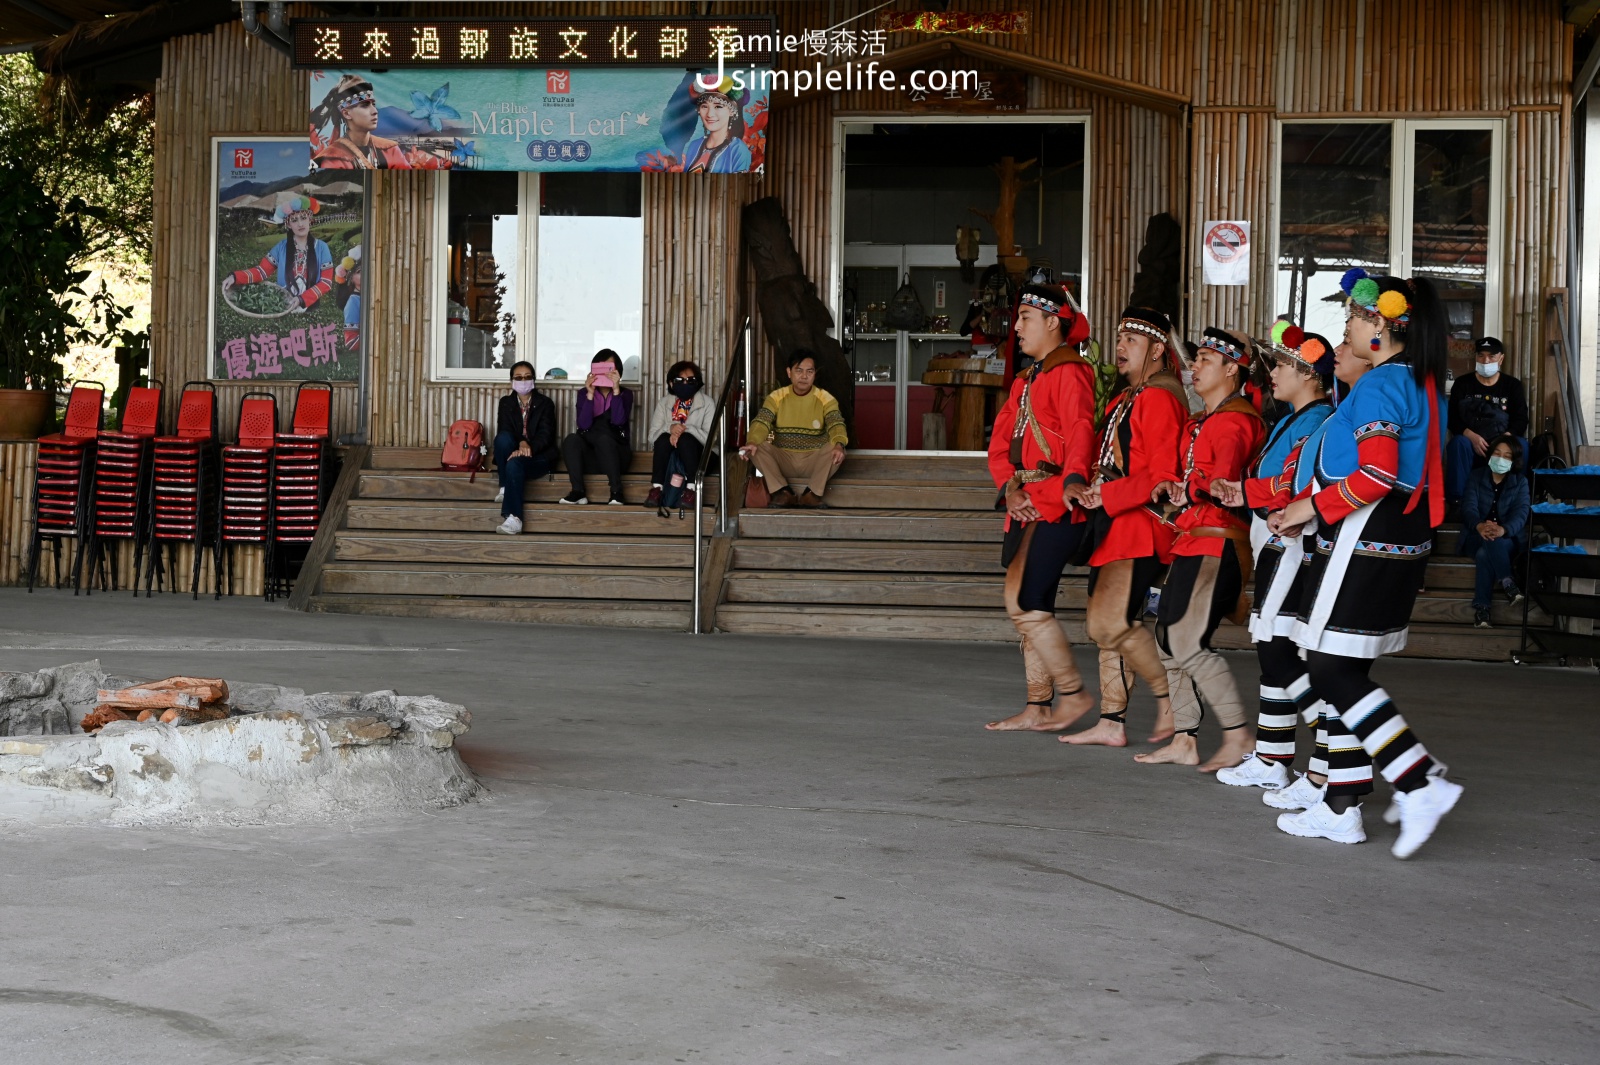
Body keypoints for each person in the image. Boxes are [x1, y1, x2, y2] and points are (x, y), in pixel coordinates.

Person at [1269, 268, 1461, 858]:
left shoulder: (1380, 385)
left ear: (1380, 325)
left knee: (1329, 669)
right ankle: (1342, 803)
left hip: (1365, 538)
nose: (1346, 326)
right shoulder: (1418, 381)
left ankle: (1417, 779)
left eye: (1354, 316)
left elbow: (1376, 473)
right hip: (1394, 539)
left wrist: (1310, 506)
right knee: (1339, 668)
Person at [1211, 325, 1338, 790]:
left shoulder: (1317, 421)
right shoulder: (1296, 418)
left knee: (1277, 649)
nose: (1274, 373)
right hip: (1273, 534)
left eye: (1283, 365)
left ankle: (1326, 759)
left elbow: (1298, 488)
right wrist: (1241, 490)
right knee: (1272, 654)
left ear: (1309, 375)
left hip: (1292, 539)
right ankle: (1272, 757)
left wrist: (1244, 489)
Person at [1135, 327, 1265, 771]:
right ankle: (1185, 739)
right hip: (1193, 540)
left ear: (1233, 369)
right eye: (1196, 358)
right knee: (1169, 640)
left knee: (1187, 642)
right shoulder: (1204, 421)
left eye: (1206, 359)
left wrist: (1186, 487)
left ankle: (1237, 735)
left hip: (1217, 541)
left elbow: (1223, 483)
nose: (1195, 366)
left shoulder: (1234, 421)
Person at [1058, 307, 1188, 750]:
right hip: (1116, 525)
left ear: (1156, 350)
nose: (1119, 347)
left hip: (1136, 526)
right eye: (1118, 339)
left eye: (1131, 340)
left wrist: (1105, 495)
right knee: (1109, 624)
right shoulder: (1129, 397)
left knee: (1108, 623)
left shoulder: (1157, 397)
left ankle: (1170, 700)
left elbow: (1162, 474)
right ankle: (1112, 721)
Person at [982, 285, 1099, 733]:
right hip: (1023, 502)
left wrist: (1068, 484)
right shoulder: (1024, 379)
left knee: (1027, 600)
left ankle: (1071, 693)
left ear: (1054, 322)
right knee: (1026, 604)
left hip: (1053, 501)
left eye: (1026, 317)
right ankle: (1038, 705)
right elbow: (999, 446)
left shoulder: (1071, 372)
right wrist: (1009, 489)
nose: (1016, 327)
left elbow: (1080, 430)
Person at [739, 349, 848, 508]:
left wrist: (839, 443)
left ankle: (811, 495)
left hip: (814, 460)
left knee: (837, 447)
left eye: (809, 371)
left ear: (814, 374)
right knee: (757, 447)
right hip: (784, 458)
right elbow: (762, 421)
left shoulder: (826, 398)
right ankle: (783, 493)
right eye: (799, 371)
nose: (804, 376)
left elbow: (836, 423)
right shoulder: (776, 397)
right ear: (789, 372)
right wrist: (753, 441)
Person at [1445, 337, 1528, 508]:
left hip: (1502, 442)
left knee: (1522, 445)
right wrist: (1470, 436)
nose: (1486, 361)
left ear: (1501, 358)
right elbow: (1452, 418)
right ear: (1475, 357)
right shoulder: (1462, 384)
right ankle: (1457, 501)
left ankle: (1516, 501)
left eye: (1491, 357)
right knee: (1458, 443)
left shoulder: (1512, 385)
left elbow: (1521, 420)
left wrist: (1505, 439)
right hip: (1471, 443)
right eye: (1481, 356)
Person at [1459, 434, 1530, 627]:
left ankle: (1483, 610)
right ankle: (1508, 583)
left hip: (1507, 540)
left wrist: (1503, 530)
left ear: (1514, 460)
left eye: (1507, 456)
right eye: (1497, 453)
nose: (1501, 458)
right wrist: (1480, 525)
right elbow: (1468, 507)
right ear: (1490, 454)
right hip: (1475, 536)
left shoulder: (1520, 482)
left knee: (1485, 553)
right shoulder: (1476, 476)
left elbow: (1521, 514)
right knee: (1484, 546)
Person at [222, 195, 334, 311]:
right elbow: (262, 271)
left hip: (311, 309)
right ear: (288, 224)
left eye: (303, 218)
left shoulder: (321, 248)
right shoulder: (281, 247)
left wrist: (302, 299)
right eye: (294, 220)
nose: (300, 224)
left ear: (310, 220)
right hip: (284, 306)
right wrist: (235, 277)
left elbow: (326, 282)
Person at [492, 361, 558, 535]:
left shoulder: (545, 403)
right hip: (514, 453)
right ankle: (505, 487)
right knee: (503, 439)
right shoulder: (506, 403)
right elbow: (505, 428)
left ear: (534, 380)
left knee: (515, 463)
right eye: (518, 377)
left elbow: (546, 435)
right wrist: (521, 443)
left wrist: (528, 447)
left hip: (539, 456)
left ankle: (513, 518)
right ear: (512, 381)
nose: (523, 380)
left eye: (527, 377)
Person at [561, 350, 634, 506]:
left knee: (604, 439)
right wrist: (590, 394)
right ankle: (578, 491)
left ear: (618, 372)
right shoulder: (584, 393)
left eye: (609, 368)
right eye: (600, 367)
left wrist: (616, 390)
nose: (605, 372)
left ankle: (616, 492)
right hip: (592, 457)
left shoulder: (625, 394)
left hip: (616, 455)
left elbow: (618, 421)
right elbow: (583, 425)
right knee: (571, 440)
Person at [644, 360, 714, 509]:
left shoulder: (707, 403)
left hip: (702, 457)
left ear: (697, 382)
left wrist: (684, 429)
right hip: (672, 456)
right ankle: (657, 489)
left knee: (686, 439)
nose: (685, 383)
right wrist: (670, 428)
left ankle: (691, 489)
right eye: (679, 380)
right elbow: (652, 437)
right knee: (662, 439)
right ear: (671, 383)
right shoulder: (664, 403)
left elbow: (711, 439)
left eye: (690, 380)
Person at [311, 75, 414, 170]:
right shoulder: (332, 159)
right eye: (365, 105)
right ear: (346, 113)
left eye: (373, 104)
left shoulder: (390, 150)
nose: (375, 111)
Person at [679, 77, 752, 174]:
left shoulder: (738, 150)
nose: (710, 114)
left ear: (731, 111)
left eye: (718, 106)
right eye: (704, 106)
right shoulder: (694, 145)